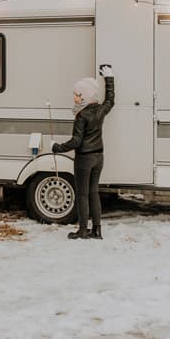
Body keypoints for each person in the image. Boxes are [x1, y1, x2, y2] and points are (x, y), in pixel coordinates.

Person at [52, 65, 115, 240]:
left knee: (82, 194)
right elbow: (110, 100)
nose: (74, 97)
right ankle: (97, 230)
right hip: (99, 157)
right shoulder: (100, 109)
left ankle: (82, 230)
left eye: (77, 94)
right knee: (94, 192)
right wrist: (109, 78)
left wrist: (57, 147)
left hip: (84, 159)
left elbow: (76, 142)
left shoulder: (82, 116)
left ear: (84, 96)